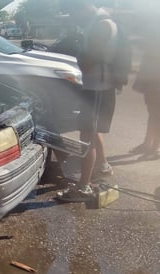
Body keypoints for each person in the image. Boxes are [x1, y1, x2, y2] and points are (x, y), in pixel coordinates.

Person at [57, 0, 117, 202]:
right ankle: (103, 166)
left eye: (73, 13)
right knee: (94, 130)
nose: (73, 18)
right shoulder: (97, 22)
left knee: (86, 136)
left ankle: (83, 187)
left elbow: (90, 60)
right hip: (97, 87)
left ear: (81, 7)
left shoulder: (101, 25)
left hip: (98, 89)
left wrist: (79, 58)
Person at [130, 19, 160, 161]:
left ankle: (155, 148)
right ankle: (148, 144)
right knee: (153, 114)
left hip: (155, 84)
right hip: (151, 84)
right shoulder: (151, 49)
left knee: (156, 115)